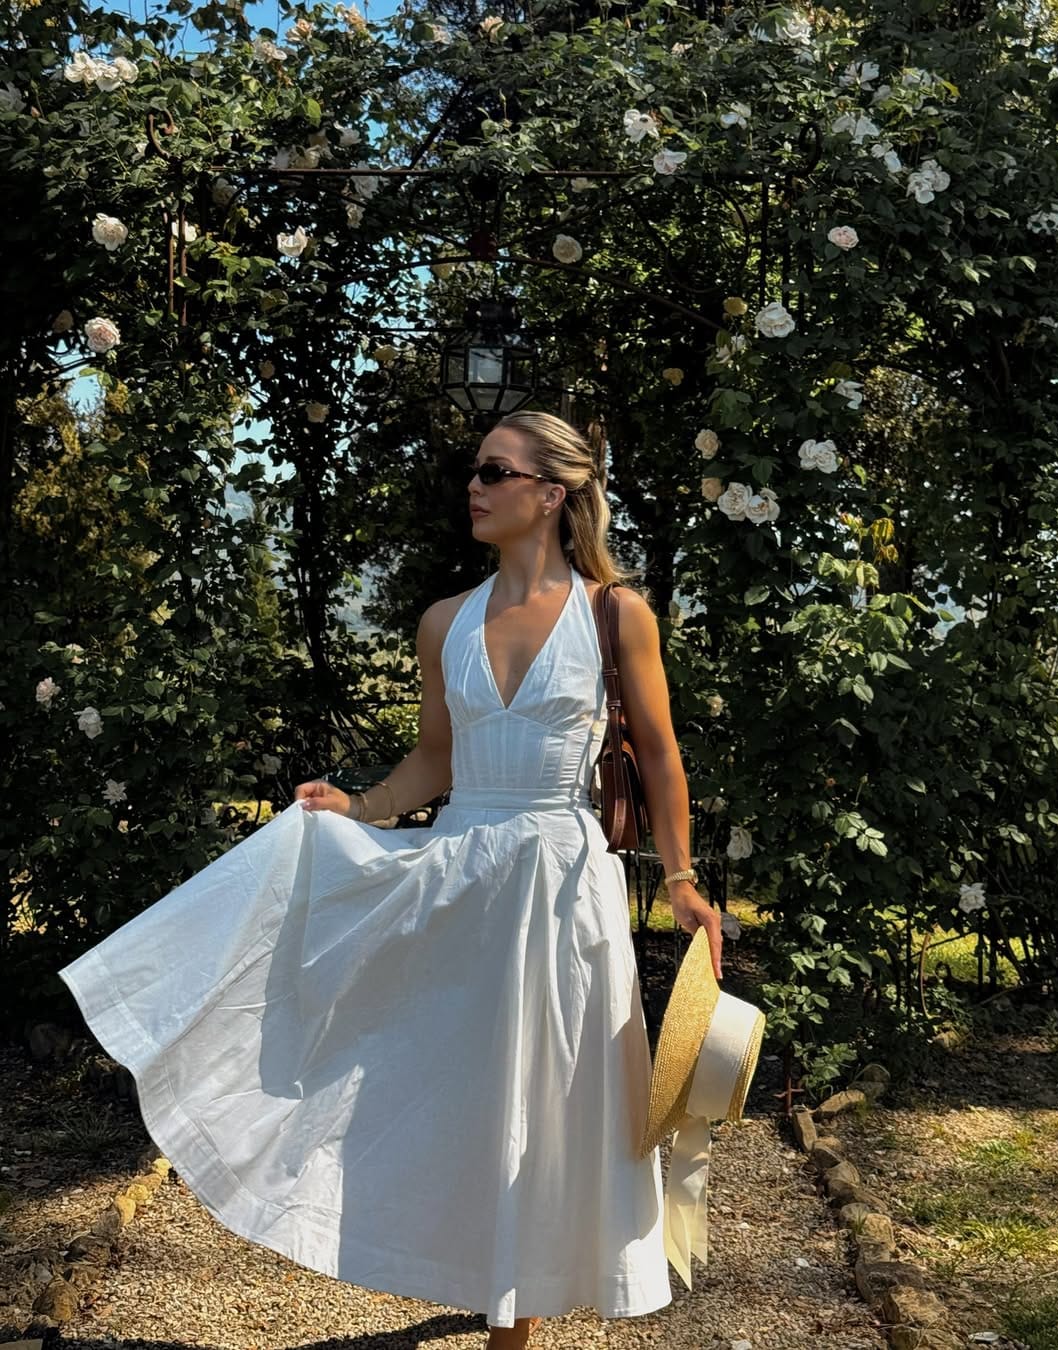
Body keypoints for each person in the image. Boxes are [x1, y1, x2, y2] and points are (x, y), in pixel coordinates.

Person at [58, 410, 723, 1350]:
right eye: (475, 470)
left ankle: (517, 1311)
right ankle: (471, 1262)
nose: (476, 485)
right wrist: (360, 806)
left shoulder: (615, 614)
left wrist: (684, 876)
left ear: (552, 492)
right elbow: (436, 763)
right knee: (453, 1084)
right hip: (464, 872)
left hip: (562, 886)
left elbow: (658, 755)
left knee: (552, 1090)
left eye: (497, 470)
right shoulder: (445, 621)